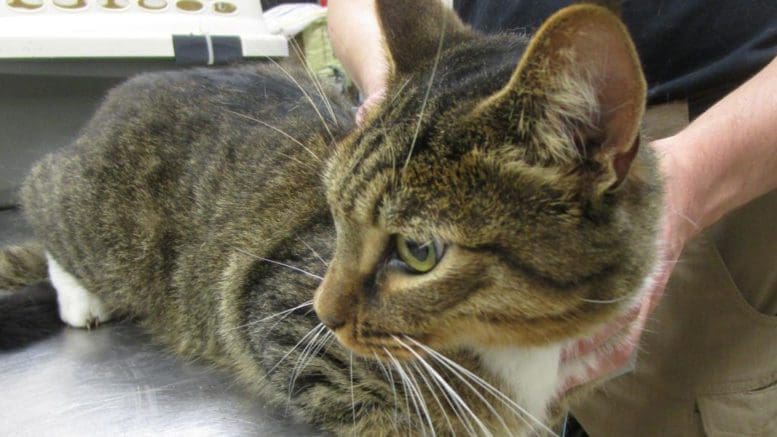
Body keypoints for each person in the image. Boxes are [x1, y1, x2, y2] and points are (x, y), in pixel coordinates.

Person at [328, 0, 777, 435]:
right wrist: (403, 101)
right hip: (451, 94)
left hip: (721, 154)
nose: (324, 308)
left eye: (418, 250)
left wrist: (695, 177)